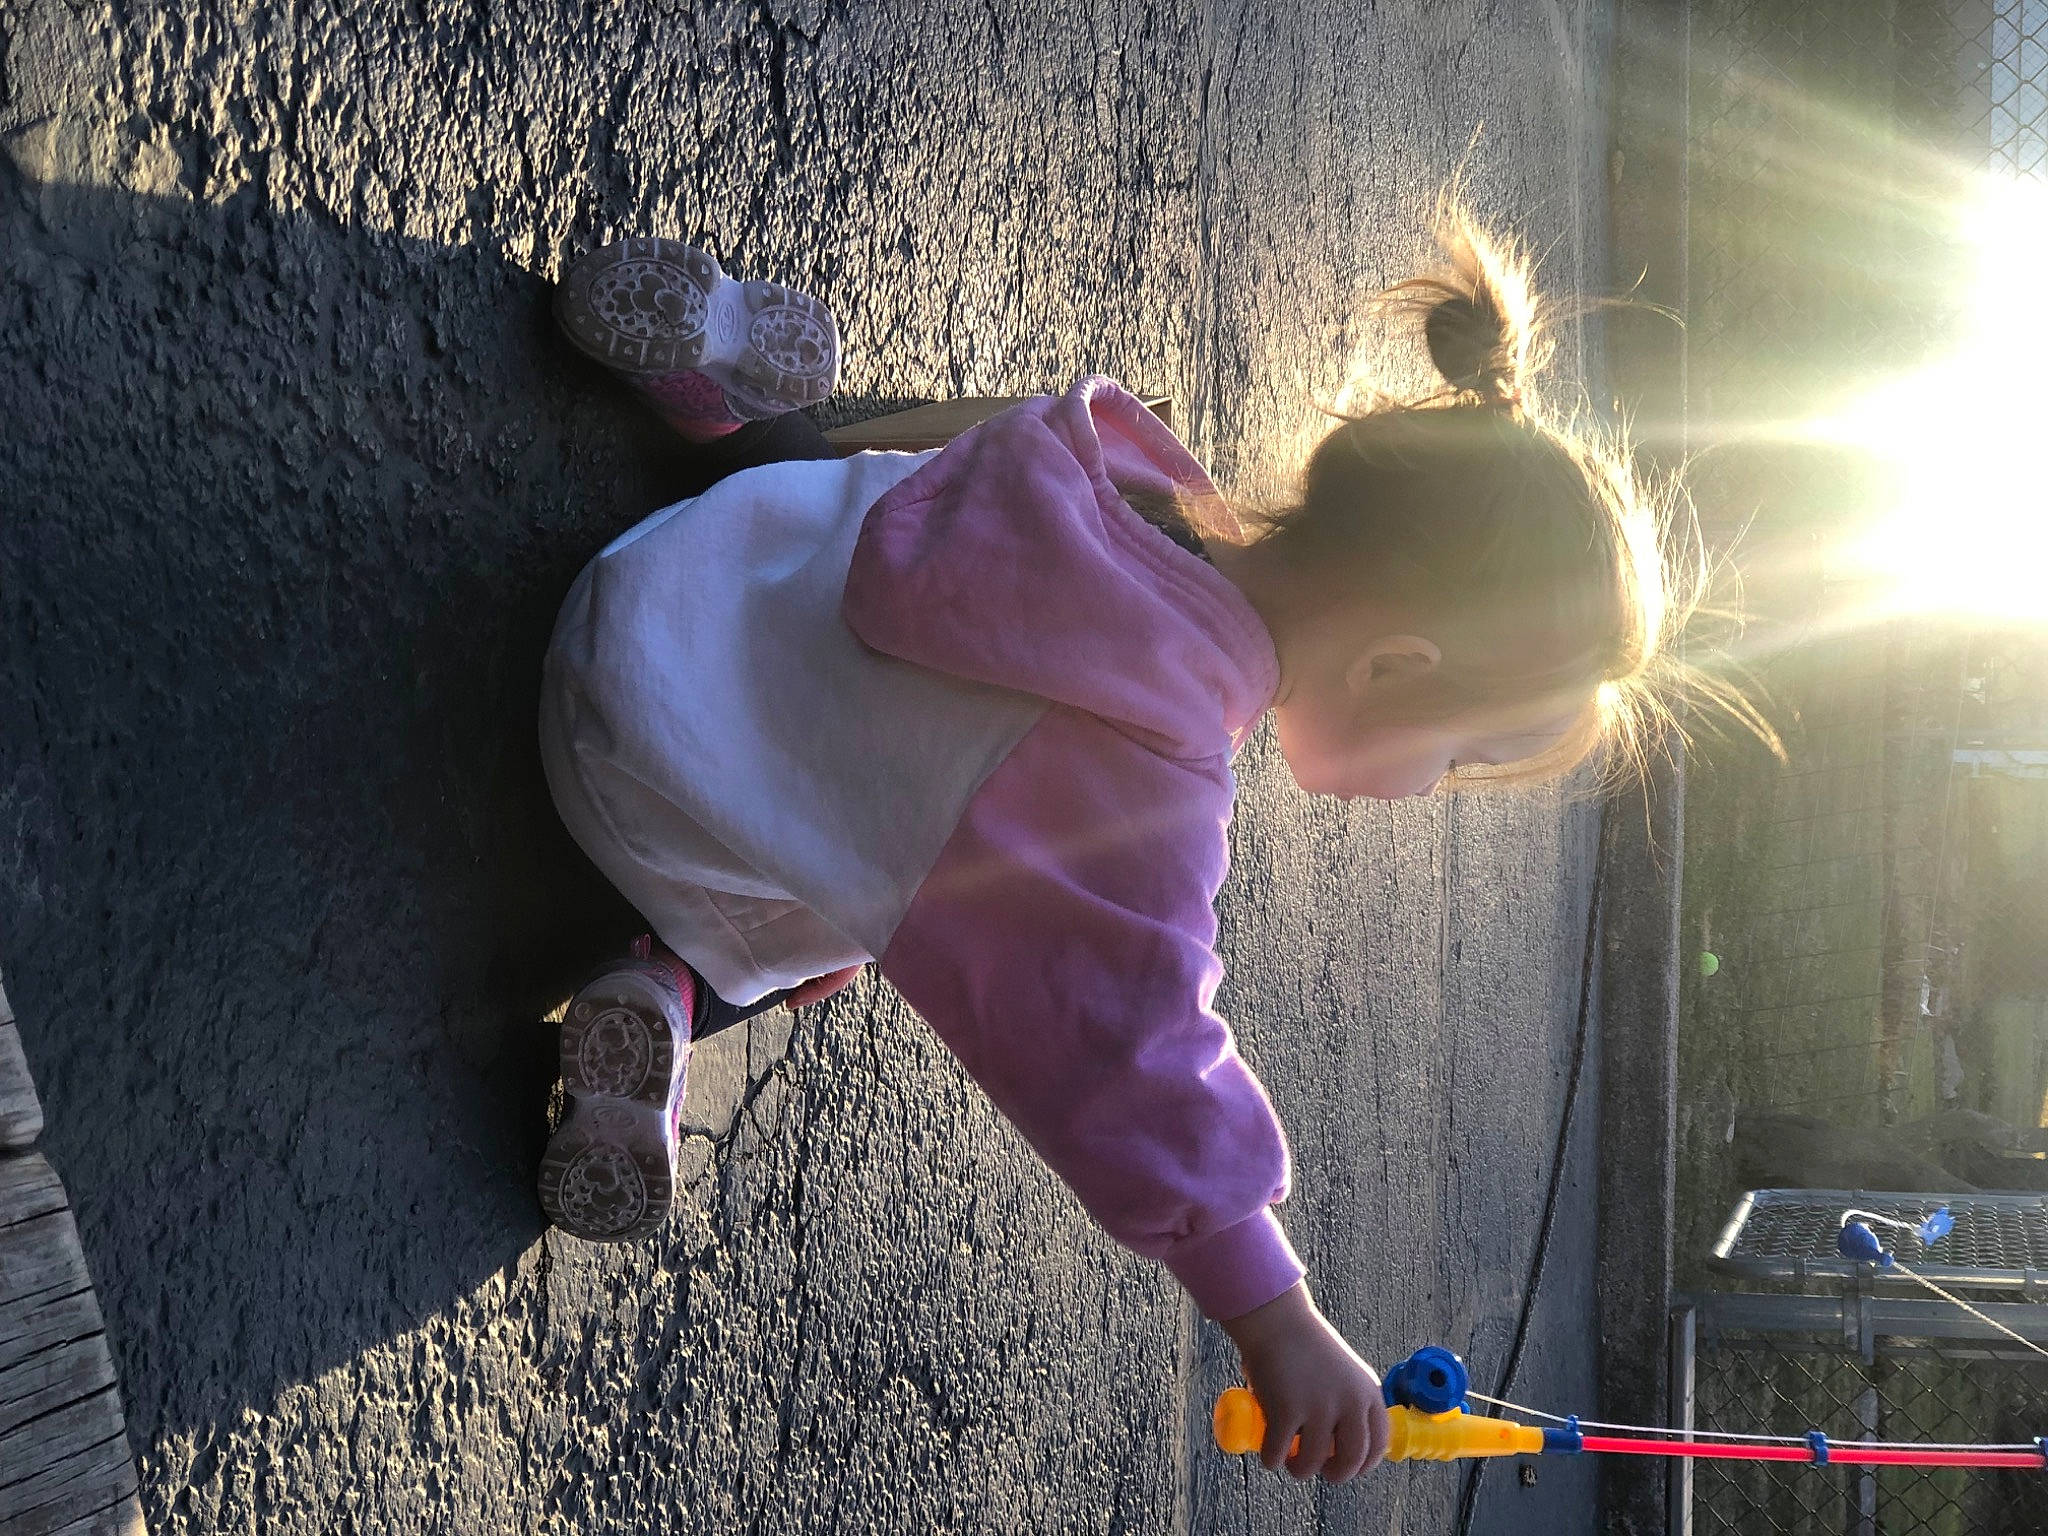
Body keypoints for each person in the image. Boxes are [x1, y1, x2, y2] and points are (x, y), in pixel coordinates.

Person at [534, 211, 1727, 1485]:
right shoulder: (1145, 775)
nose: (1435, 790)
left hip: (685, 567)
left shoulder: (1130, 479)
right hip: (627, 756)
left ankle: (723, 400)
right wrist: (1270, 1310)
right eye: (1460, 758)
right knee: (875, 928)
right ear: (1393, 666)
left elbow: (928, 444)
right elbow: (1119, 1042)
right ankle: (665, 987)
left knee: (854, 492)